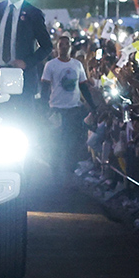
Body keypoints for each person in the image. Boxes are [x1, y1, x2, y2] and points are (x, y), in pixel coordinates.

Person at [0, 0, 53, 111]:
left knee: (23, 121)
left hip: (21, 76)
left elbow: (47, 46)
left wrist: (26, 62)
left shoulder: (33, 14)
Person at [41, 35, 95, 174]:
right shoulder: (51, 65)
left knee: (71, 139)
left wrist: (92, 105)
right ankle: (55, 166)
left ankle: (69, 167)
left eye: (66, 44)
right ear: (57, 47)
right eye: (61, 44)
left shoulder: (77, 65)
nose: (64, 47)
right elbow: (45, 88)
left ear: (70, 47)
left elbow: (83, 86)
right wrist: (43, 107)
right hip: (56, 109)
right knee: (56, 139)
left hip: (73, 109)